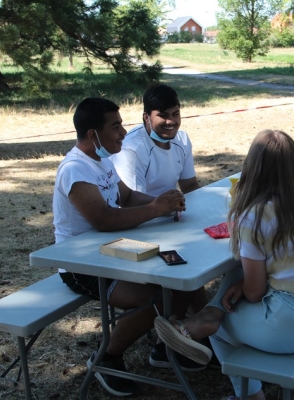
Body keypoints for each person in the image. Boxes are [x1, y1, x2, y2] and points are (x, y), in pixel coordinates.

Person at [153, 130, 294, 400]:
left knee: (221, 328)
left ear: (252, 167)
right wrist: (242, 284)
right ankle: (209, 314)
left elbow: (255, 292)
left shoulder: (255, 215)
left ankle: (249, 393)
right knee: (238, 273)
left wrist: (244, 286)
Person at [53, 97, 201, 397]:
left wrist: (165, 203)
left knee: (184, 280)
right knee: (160, 294)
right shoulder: (74, 169)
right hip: (82, 265)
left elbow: (128, 198)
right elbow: (104, 219)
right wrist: (156, 209)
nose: (123, 133)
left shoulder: (101, 158)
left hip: (117, 251)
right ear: (93, 134)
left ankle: (163, 347)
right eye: (115, 126)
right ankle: (106, 357)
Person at [110, 83, 200, 197]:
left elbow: (190, 186)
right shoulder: (131, 150)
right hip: (143, 212)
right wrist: (168, 208)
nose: (170, 121)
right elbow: (133, 202)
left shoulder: (182, 140)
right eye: (163, 115)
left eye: (175, 114)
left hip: (171, 209)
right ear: (146, 117)